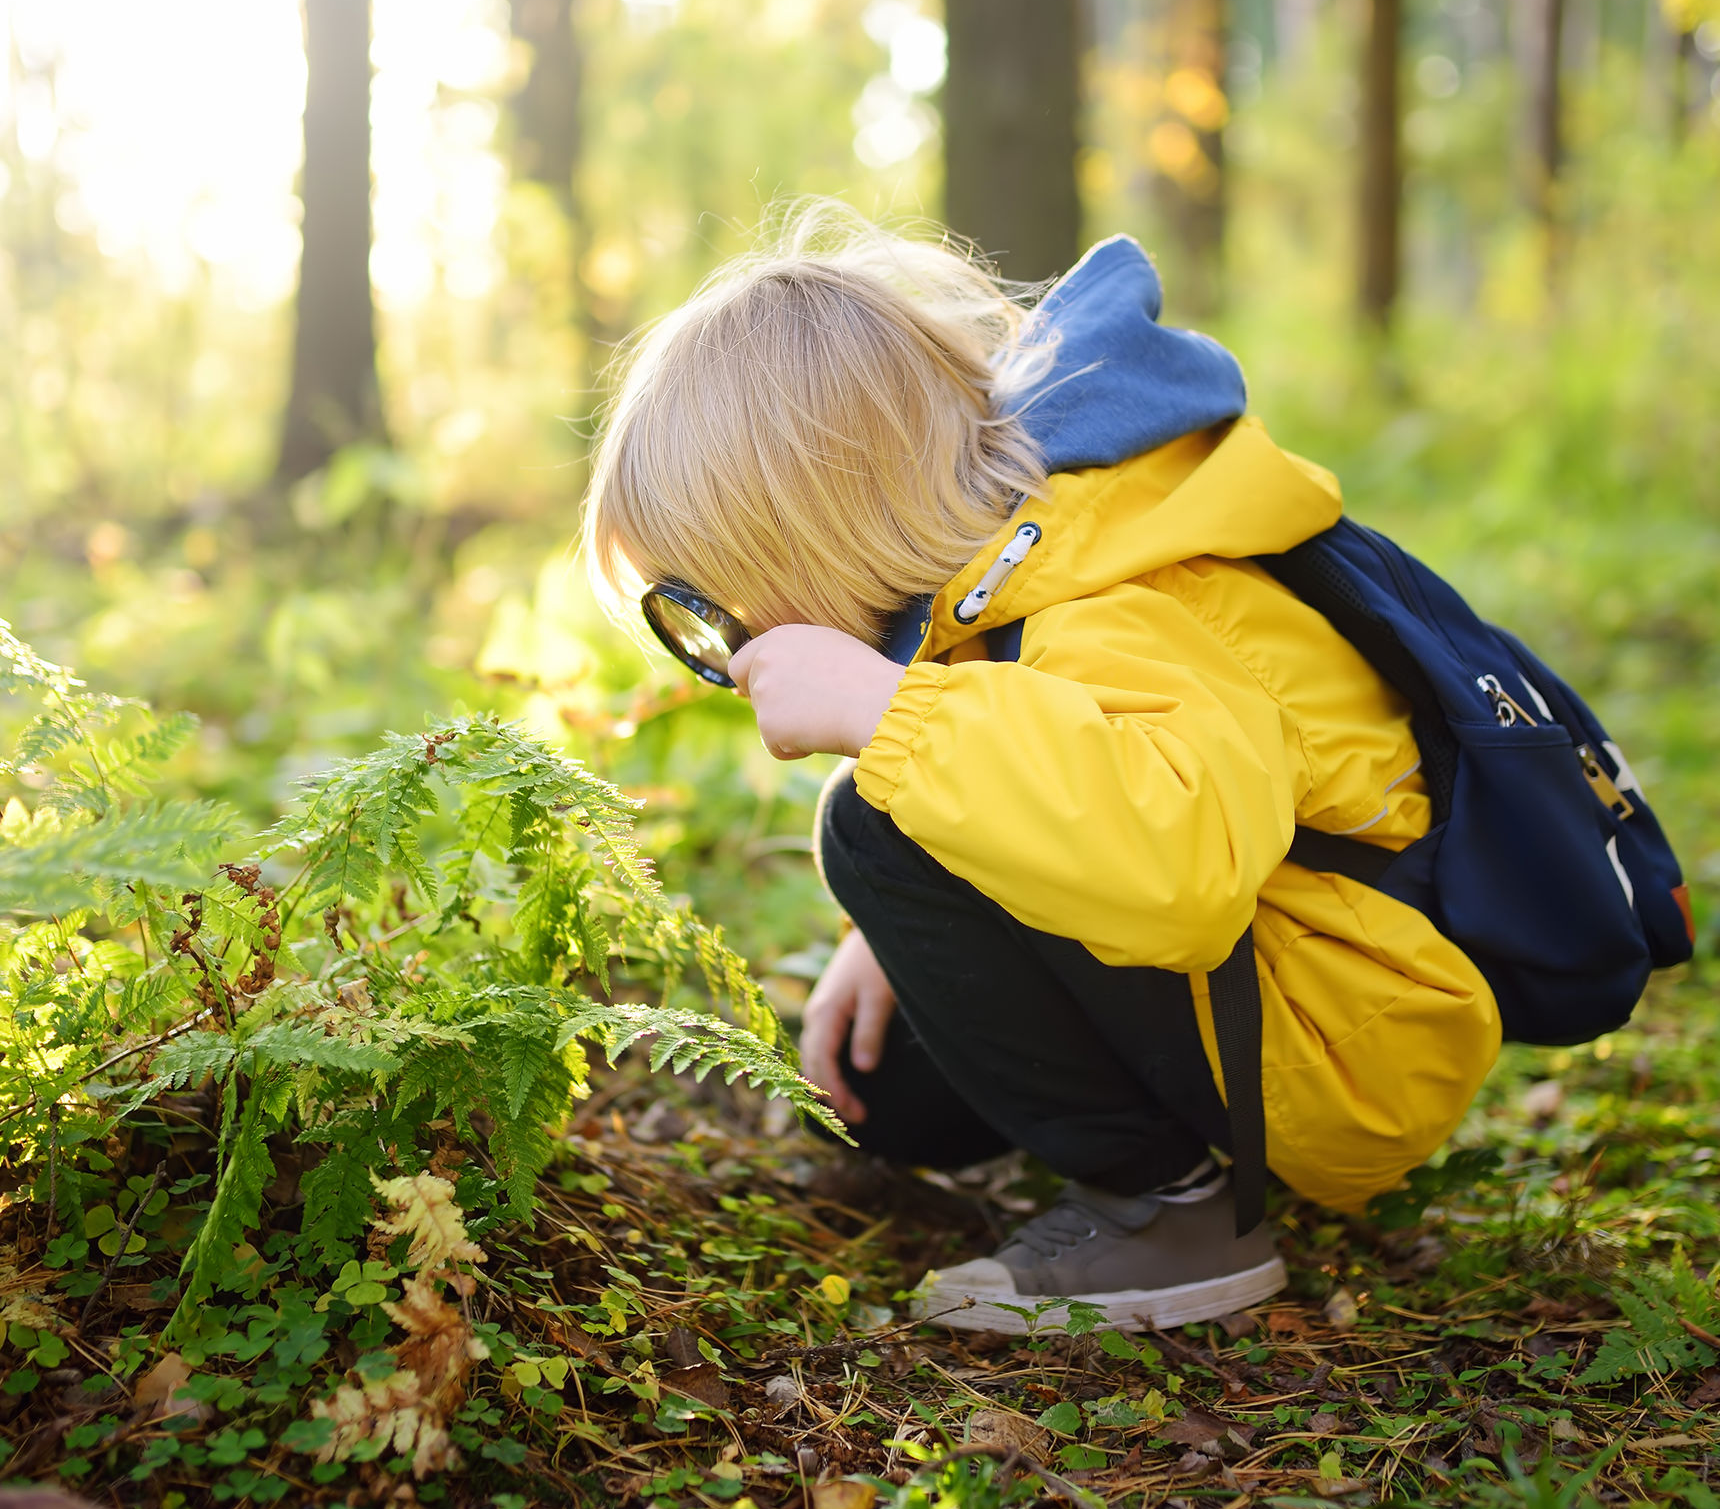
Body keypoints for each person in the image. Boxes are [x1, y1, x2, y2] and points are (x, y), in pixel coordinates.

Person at [582, 204, 1500, 1334]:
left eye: (706, 606)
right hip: (1274, 991)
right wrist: (898, 931)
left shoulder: (1114, 591)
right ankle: (1127, 1152)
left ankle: (1169, 1215)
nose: (718, 648)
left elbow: (1181, 869)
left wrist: (888, 718)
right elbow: (1047, 766)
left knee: (867, 821)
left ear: (812, 534)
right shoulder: (1000, 581)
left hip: (1344, 1040)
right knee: (890, 1096)